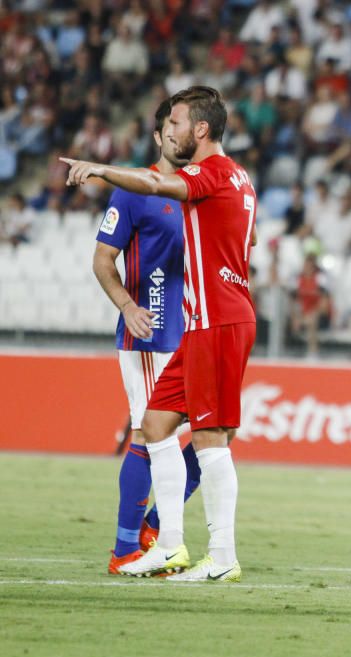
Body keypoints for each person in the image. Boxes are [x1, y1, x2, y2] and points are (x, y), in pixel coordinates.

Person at [62, 86, 257, 583]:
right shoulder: (239, 177)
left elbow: (157, 186)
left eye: (177, 122)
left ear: (200, 130)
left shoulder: (209, 174)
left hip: (215, 318)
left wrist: (102, 169)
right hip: (202, 320)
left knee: (212, 437)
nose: (169, 131)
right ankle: (167, 544)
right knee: (154, 425)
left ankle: (223, 555)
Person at [94, 99, 201, 575]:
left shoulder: (198, 191)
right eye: (170, 129)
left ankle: (154, 526)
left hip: (192, 334)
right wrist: (128, 306)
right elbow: (102, 259)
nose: (178, 136)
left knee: (215, 435)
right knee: (146, 433)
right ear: (159, 138)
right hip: (149, 332)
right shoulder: (133, 191)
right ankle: (124, 549)